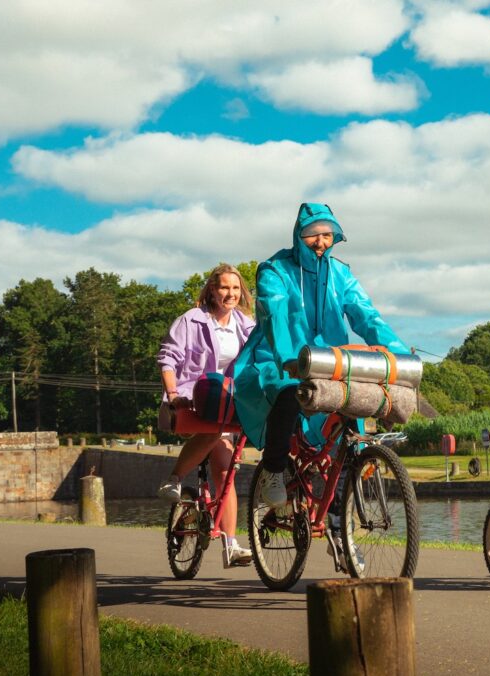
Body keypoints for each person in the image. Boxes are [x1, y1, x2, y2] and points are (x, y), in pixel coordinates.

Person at [232, 202, 409, 567]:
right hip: (279, 355)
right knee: (285, 391)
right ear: (299, 235)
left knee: (349, 435)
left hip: (331, 360)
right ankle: (276, 469)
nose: (321, 241)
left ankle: (339, 531)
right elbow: (274, 311)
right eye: (314, 234)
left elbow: (364, 313)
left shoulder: (341, 273)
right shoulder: (274, 270)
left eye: (327, 234)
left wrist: (395, 351)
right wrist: (287, 357)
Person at [156, 263, 256, 568]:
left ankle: (231, 545)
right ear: (212, 289)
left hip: (227, 402)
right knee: (214, 431)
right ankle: (174, 479)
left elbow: (259, 357)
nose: (231, 294)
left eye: (236, 288)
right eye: (225, 287)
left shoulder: (245, 324)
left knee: (226, 472)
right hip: (192, 400)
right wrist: (173, 395)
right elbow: (168, 358)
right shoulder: (192, 320)